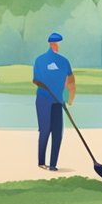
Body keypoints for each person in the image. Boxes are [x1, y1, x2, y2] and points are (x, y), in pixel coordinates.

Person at [31, 31, 75, 171]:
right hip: (44, 100)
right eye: (56, 43)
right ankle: (42, 161)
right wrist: (67, 97)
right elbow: (36, 80)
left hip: (57, 102)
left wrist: (68, 99)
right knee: (45, 131)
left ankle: (52, 164)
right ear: (52, 43)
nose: (57, 45)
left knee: (57, 132)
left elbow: (70, 81)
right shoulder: (40, 60)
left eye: (58, 43)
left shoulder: (63, 61)